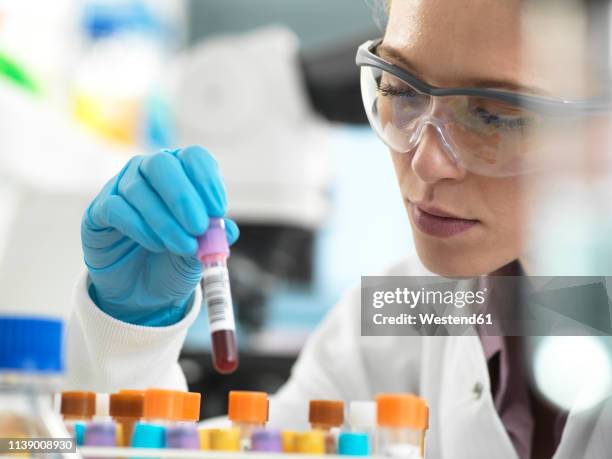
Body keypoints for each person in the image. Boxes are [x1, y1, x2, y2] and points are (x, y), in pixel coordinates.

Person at [65, 0, 611, 458]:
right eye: (401, 89)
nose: (425, 161)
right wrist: (131, 339)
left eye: (493, 114)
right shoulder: (409, 309)